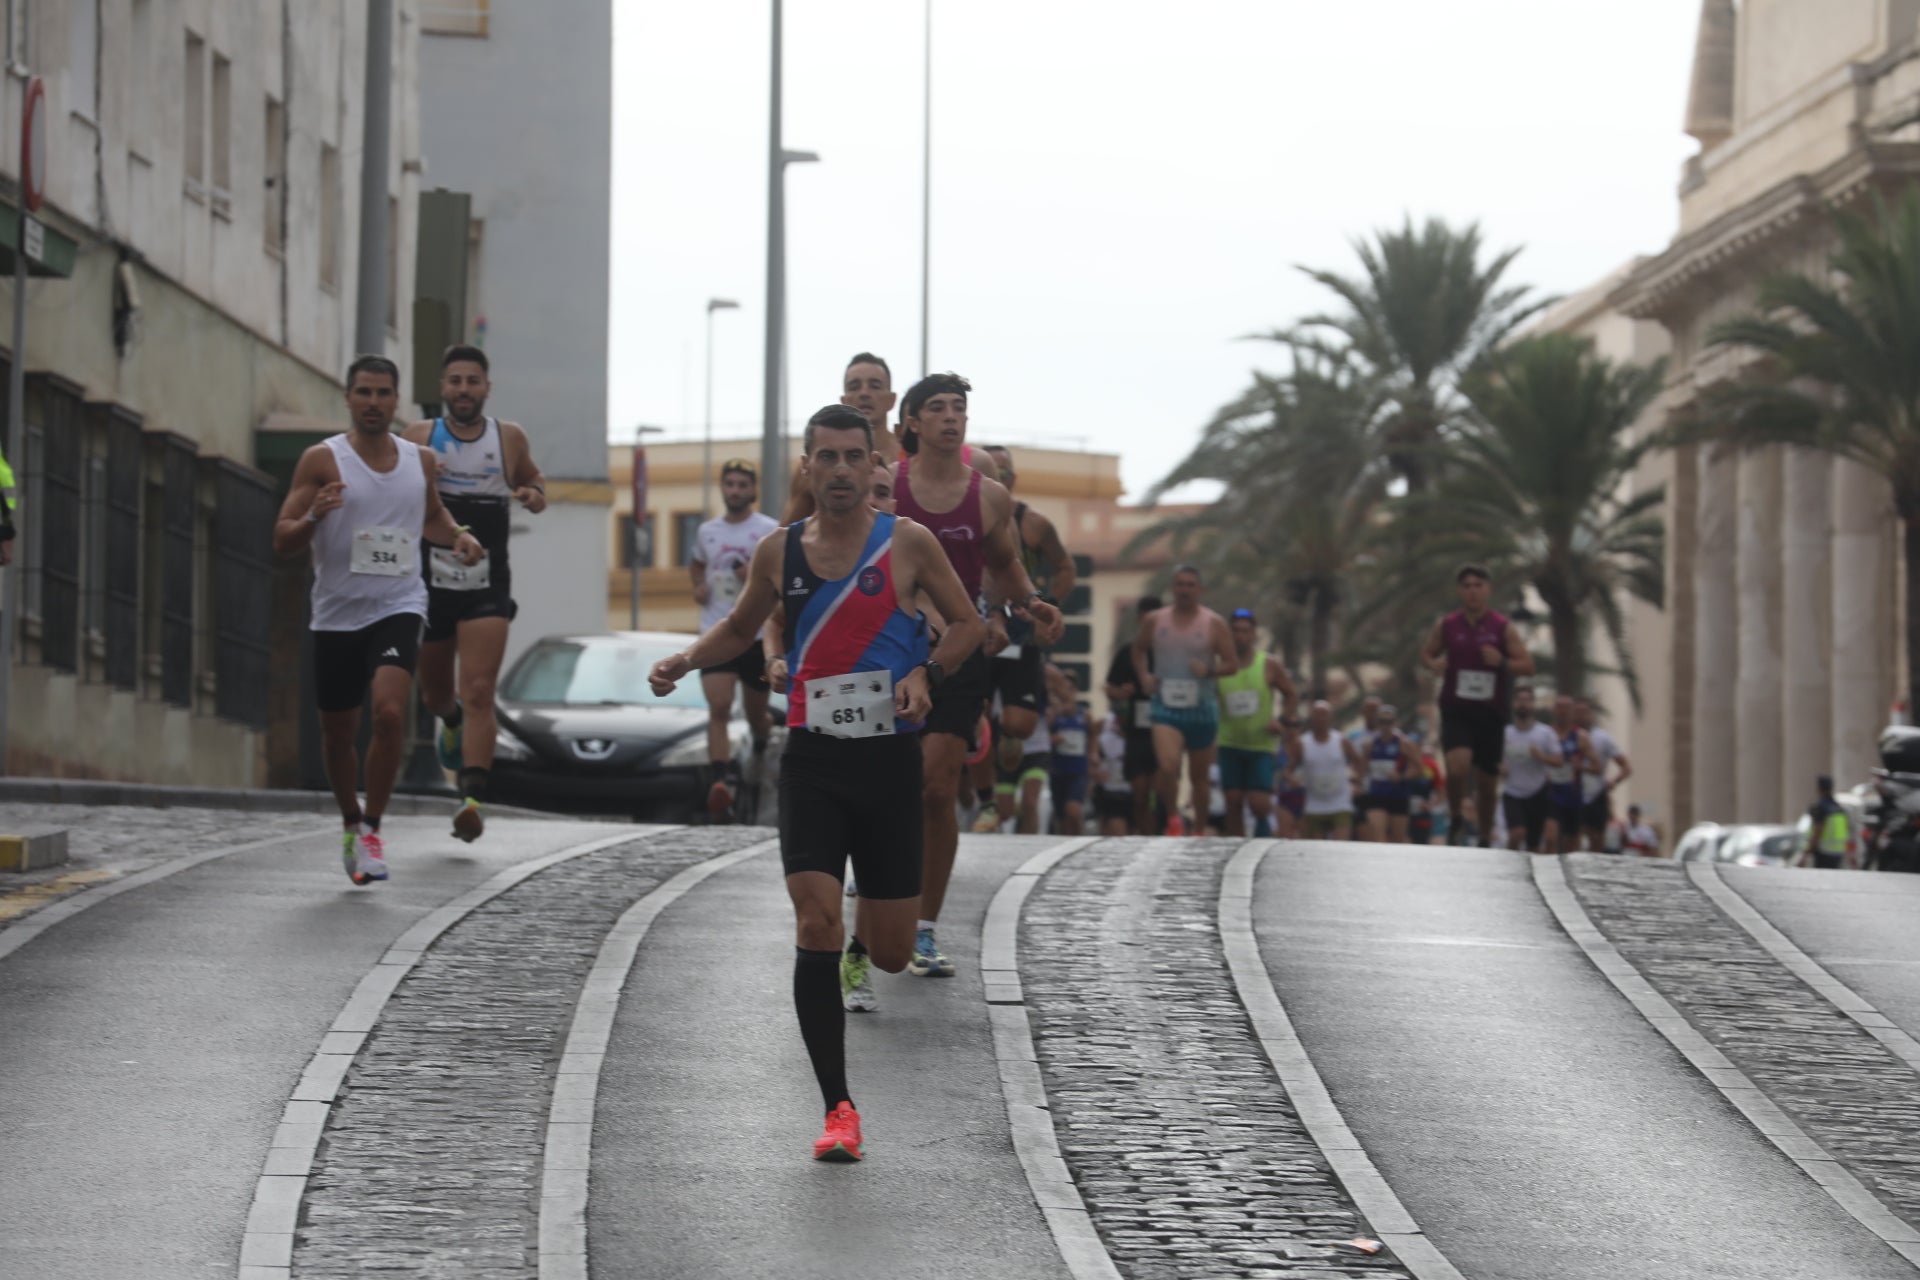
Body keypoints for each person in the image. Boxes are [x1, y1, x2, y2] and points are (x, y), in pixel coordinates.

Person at [646, 404, 984, 1162]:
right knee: (814, 925)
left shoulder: (908, 545)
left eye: (851, 458)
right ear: (805, 467)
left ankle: (876, 928)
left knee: (892, 953)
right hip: (815, 764)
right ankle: (838, 1107)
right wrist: (684, 660)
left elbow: (966, 626)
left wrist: (928, 676)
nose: (838, 472)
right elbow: (740, 629)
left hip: (888, 764)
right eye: (824, 458)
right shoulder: (779, 552)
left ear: (873, 467)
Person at [274, 355, 483, 883]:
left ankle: (372, 827)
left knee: (389, 713)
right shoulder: (322, 460)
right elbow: (283, 538)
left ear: (397, 401)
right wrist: (316, 514)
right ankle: (348, 820)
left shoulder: (421, 460)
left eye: (383, 393)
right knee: (337, 735)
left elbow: (431, 515)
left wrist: (457, 534)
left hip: (398, 604)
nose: (373, 402)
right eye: (363, 392)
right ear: (348, 398)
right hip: (336, 613)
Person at [894, 372, 1061, 978]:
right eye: (936, 408)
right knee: (894, 787)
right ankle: (884, 893)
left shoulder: (987, 495)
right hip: (891, 652)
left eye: (958, 408)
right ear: (911, 422)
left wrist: (1032, 604)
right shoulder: (887, 488)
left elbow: (1005, 563)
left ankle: (924, 928)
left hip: (960, 652)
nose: (949, 417)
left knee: (937, 788)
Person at [399, 345, 546, 844]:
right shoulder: (419, 438)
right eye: (455, 382)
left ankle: (472, 798)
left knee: (479, 688)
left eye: (473, 382)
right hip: (430, 580)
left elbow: (535, 484)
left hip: (488, 578)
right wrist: (420, 481)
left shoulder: (509, 438)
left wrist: (531, 495)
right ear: (443, 389)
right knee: (436, 693)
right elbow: (395, 495)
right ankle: (451, 722)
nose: (464, 390)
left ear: (487, 388)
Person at [687, 459, 781, 818]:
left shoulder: (769, 530)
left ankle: (760, 742)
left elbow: (780, 576)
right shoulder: (707, 532)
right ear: (723, 488)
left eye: (743, 485)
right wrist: (697, 585)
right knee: (720, 706)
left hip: (756, 635)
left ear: (753, 490)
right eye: (730, 484)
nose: (736, 491)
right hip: (717, 628)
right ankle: (721, 780)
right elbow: (697, 563)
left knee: (757, 714)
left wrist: (754, 576)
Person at [1422, 563, 1535, 847]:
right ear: (1460, 591)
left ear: (1488, 590)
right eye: (1467, 586)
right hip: (1456, 708)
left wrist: (1503, 662)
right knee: (1457, 767)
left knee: (1487, 783)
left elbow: (1528, 665)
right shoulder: (1448, 625)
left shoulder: (1502, 627)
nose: (1472, 591)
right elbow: (1427, 653)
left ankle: (1485, 835)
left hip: (1490, 712)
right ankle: (1457, 816)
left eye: (1478, 585)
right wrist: (1434, 663)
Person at [1133, 565, 1238, 836]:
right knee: (1167, 765)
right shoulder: (1156, 620)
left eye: (1191, 584)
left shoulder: (1213, 623)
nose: (1185, 590)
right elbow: (1138, 649)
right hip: (1165, 706)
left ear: (1199, 589)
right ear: (1172, 588)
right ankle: (1173, 818)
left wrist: (1210, 671)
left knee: (1199, 777)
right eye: (1180, 584)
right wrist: (1145, 676)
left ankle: (1200, 828)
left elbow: (1232, 664)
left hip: (1201, 708)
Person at [1214, 608, 1299, 838]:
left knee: (1259, 803)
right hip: (1229, 742)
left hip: (1260, 745)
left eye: (1245, 631)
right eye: (1235, 631)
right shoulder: (1219, 666)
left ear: (1253, 635)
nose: (1240, 636)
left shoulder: (1268, 664)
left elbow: (1291, 694)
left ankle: (1261, 840)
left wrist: (1281, 721)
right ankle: (1234, 847)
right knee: (1232, 801)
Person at [1104, 595, 1163, 834]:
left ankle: (1163, 833)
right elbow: (1109, 688)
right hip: (1136, 734)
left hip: (1165, 730)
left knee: (1161, 790)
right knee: (1139, 792)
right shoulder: (1127, 652)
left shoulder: (1170, 652)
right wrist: (1121, 693)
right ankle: (1146, 835)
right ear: (1140, 620)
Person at [1499, 687, 1563, 854]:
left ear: (1533, 705)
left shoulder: (1545, 733)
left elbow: (1559, 760)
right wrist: (1500, 768)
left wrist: (1541, 756)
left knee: (1534, 844)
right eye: (1519, 700)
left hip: (1538, 792)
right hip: (1512, 792)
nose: (1523, 704)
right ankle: (1507, 864)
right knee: (1516, 834)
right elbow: (1492, 759)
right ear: (1513, 704)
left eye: (1527, 700)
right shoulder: (1505, 733)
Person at [1293, 700, 1361, 840]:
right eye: (1317, 714)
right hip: (1314, 804)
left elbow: (1358, 761)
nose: (1320, 718)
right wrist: (1292, 779)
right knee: (1317, 850)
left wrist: (1357, 781)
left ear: (1330, 717)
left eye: (1324, 714)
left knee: (1340, 846)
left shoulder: (1341, 740)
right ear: (1311, 717)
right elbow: (1289, 768)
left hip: (1340, 802)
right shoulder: (1302, 743)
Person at [1573, 696, 1632, 851]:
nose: (1581, 716)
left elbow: (1625, 767)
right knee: (1572, 835)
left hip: (1596, 793)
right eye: (1577, 712)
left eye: (1584, 712)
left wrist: (1614, 781)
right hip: (1572, 791)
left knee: (1597, 838)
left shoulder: (1603, 739)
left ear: (1591, 714)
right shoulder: (1566, 736)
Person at [1546, 694, 1601, 854]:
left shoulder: (1580, 737)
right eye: (1559, 708)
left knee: (1571, 845)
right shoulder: (1546, 734)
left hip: (1573, 795)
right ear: (1554, 710)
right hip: (1551, 793)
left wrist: (1579, 766)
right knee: (1550, 838)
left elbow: (1597, 767)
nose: (1562, 713)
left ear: (1572, 712)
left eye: (1566, 709)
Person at [1358, 704, 1417, 843]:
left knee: (1397, 840)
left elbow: (1419, 769)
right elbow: (1361, 768)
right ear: (1377, 723)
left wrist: (1401, 776)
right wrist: (1359, 783)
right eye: (1382, 722)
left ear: (1395, 723)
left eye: (1389, 722)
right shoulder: (1370, 744)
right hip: (1376, 794)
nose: (1386, 726)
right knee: (1378, 836)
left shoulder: (1404, 743)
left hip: (1398, 795)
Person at [1048, 667, 1090, 836]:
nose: (1067, 692)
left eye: (1071, 688)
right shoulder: (1052, 715)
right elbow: (1043, 739)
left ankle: (1079, 838)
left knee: (1073, 811)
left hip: (1078, 771)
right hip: (1057, 770)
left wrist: (1093, 755)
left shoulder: (1084, 715)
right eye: (1064, 688)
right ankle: (1065, 842)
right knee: (1062, 816)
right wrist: (1053, 740)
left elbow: (1092, 737)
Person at [1091, 710, 1133, 836]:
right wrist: (1094, 768)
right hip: (1112, 791)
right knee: (1117, 835)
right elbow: (1091, 742)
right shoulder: (1105, 723)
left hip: (1138, 791)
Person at [1800, 775, 1856, 870]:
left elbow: (1817, 831)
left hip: (1823, 853)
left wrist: (1806, 854)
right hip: (1838, 854)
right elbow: (1848, 832)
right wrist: (1851, 856)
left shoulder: (1820, 807)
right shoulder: (1839, 808)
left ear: (1819, 788)